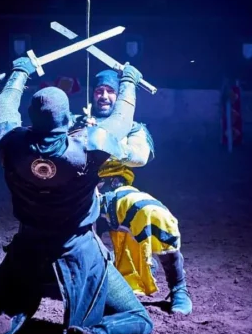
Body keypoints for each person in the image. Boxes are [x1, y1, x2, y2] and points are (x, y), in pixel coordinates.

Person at [0, 57, 153, 334]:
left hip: (28, 249)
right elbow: (122, 120)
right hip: (78, 254)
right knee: (139, 318)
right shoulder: (87, 148)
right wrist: (129, 81)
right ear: (67, 121)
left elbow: (3, 106)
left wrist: (19, 71)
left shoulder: (11, 144)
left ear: (30, 117)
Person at [70, 69, 193, 315]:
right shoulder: (76, 122)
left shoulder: (134, 128)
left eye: (110, 92)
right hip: (76, 196)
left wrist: (105, 137)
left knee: (154, 214)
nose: (104, 96)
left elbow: (140, 156)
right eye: (99, 91)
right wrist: (75, 132)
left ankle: (179, 288)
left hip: (114, 195)